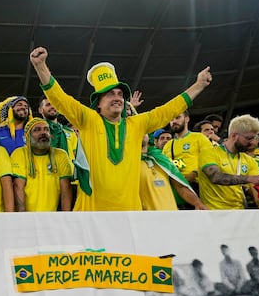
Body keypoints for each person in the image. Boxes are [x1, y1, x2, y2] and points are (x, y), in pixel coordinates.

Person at [28, 46, 212, 211]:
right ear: (98, 104)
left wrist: (199, 85)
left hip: (129, 214)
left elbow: (168, 110)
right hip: (92, 213)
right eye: (109, 94)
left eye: (119, 94)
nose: (117, 97)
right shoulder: (88, 120)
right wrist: (40, 66)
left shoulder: (137, 124)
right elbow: (60, 98)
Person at [197, 114, 259, 210]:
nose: (253, 142)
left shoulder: (249, 161)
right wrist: (249, 178)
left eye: (255, 138)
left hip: (239, 214)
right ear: (234, 136)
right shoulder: (209, 153)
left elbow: (254, 189)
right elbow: (216, 177)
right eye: (249, 138)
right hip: (213, 212)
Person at [11, 118, 73, 212]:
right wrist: (22, 218)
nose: (43, 133)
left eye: (46, 129)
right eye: (37, 130)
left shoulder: (61, 155)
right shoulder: (19, 153)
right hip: (27, 216)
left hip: (52, 217)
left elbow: (66, 189)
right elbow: (18, 186)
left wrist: (65, 217)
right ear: (28, 137)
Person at [139, 134, 207, 210]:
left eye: (144, 131)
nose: (141, 133)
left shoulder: (161, 159)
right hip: (144, 218)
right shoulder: (126, 163)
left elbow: (180, 186)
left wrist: (197, 203)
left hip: (171, 214)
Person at [162, 110, 212, 186]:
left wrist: (194, 173)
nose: (174, 121)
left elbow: (210, 159)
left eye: (177, 117)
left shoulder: (199, 137)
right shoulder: (168, 145)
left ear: (187, 119)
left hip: (197, 185)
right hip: (175, 185)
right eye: (171, 119)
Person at [38, 95, 78, 161]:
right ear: (40, 110)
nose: (52, 107)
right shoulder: (36, 132)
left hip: (69, 169)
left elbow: (76, 155)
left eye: (54, 104)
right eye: (48, 104)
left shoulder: (70, 132)